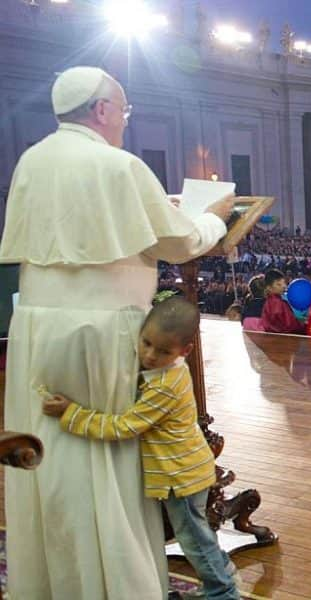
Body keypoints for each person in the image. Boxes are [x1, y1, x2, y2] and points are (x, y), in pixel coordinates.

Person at [0, 66, 232, 599]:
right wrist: (216, 217)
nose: (125, 122)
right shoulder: (118, 164)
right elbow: (181, 241)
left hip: (36, 325)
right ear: (102, 109)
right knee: (103, 460)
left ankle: (50, 584)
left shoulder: (32, 161)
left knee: (51, 458)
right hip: (99, 331)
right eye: (123, 112)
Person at [39, 297, 240, 600]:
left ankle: (222, 592)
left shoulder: (164, 385)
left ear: (184, 351)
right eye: (146, 343)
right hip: (187, 468)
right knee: (199, 534)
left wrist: (72, 413)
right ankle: (223, 574)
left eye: (163, 351)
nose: (149, 355)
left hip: (180, 476)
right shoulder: (168, 371)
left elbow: (124, 427)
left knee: (194, 540)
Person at [260, 269, 305, 334]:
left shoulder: (268, 302)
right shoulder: (278, 303)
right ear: (269, 287)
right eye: (279, 284)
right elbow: (290, 325)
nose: (284, 286)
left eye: (284, 283)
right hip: (284, 339)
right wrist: (303, 326)